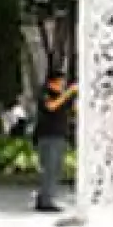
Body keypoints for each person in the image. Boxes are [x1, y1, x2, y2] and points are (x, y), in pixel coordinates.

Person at [33, 70, 76, 213]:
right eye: (60, 82)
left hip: (60, 136)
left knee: (56, 169)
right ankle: (46, 201)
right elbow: (51, 106)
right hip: (48, 136)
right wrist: (68, 93)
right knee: (49, 169)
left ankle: (45, 197)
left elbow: (72, 110)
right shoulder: (45, 93)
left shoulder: (61, 95)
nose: (62, 85)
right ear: (51, 82)